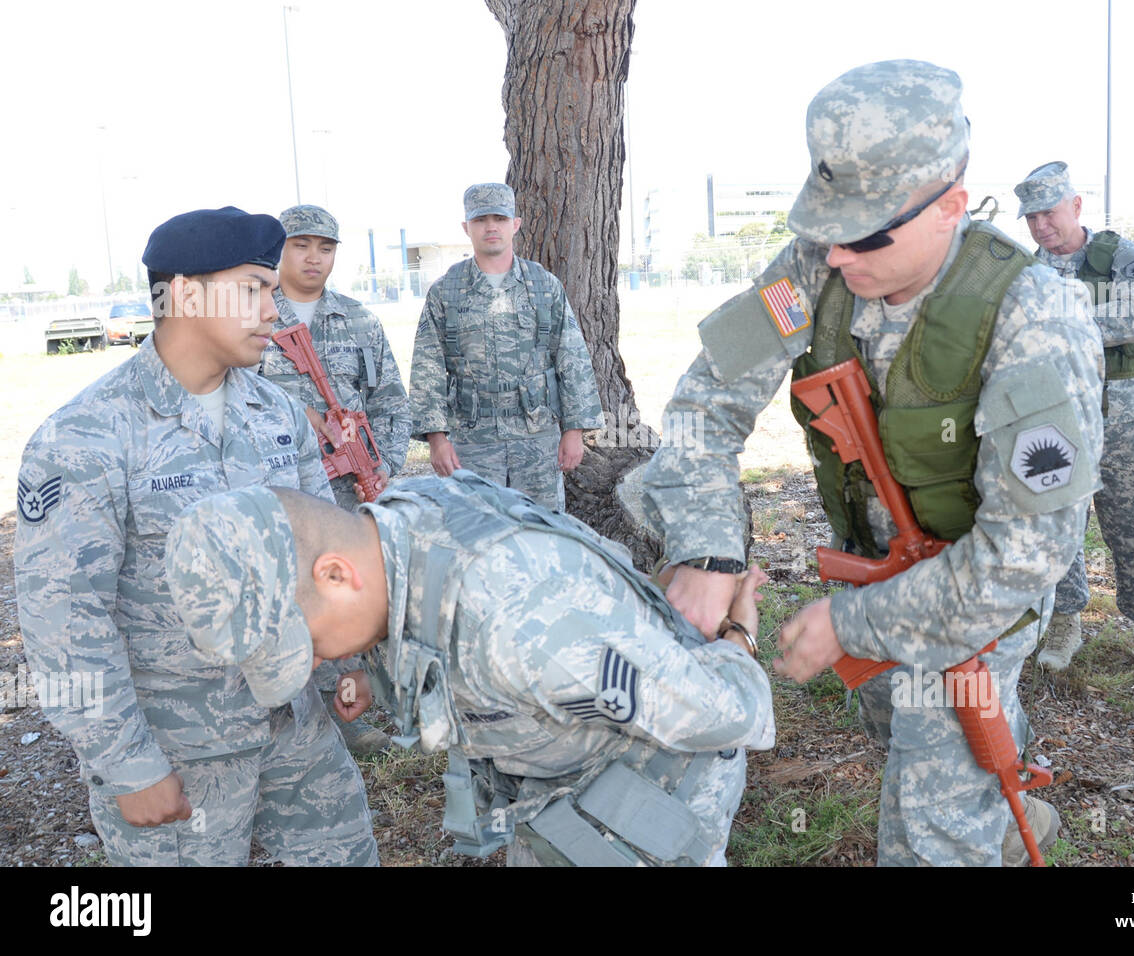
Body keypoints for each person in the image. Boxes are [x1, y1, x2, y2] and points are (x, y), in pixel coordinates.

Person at [640, 60, 1105, 866]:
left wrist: (849, 625)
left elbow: (1023, 558)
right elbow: (700, 407)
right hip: (871, 566)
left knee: (927, 824)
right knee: (896, 721)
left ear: (949, 208)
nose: (836, 253)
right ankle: (997, 798)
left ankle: (973, 803)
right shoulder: (813, 268)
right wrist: (710, 549)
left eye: (863, 234)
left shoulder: (1036, 318)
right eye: (826, 225)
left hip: (973, 598)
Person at [163, 472, 775, 866]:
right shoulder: (395, 530)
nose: (317, 659)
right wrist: (381, 681)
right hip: (554, 790)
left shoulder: (521, 622)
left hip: (643, 806)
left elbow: (729, 715)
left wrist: (737, 638)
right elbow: (432, 632)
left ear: (334, 574)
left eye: (306, 640)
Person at [14, 207, 377, 866]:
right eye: (253, 289)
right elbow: (63, 622)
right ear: (183, 294)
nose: (276, 309)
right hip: (181, 753)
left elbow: (325, 556)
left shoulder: (276, 414)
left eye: (273, 289)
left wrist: (346, 670)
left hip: (296, 734)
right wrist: (127, 766)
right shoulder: (87, 437)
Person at [1013, 162, 1134, 688]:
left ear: (1076, 205)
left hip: (1123, 413)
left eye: (1050, 213)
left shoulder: (1120, 257)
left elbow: (1129, 322)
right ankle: (1065, 624)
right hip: (1049, 411)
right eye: (1032, 217)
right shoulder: (1020, 269)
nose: (1042, 226)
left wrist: (1048, 325)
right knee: (1057, 521)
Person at [261, 202, 413, 754]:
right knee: (287, 600)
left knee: (350, 596)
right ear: (278, 250)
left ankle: (353, 706)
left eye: (325, 249)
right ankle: (299, 716)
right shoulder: (254, 317)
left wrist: (382, 466)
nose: (313, 258)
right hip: (281, 494)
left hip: (349, 493)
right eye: (301, 246)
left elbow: (394, 402)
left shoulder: (358, 320)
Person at [408, 182, 604, 511]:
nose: (490, 227)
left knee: (543, 533)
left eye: (499, 218)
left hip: (537, 439)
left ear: (515, 224)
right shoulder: (446, 292)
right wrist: (436, 439)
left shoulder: (543, 286)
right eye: (481, 219)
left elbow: (572, 357)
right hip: (472, 443)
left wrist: (574, 430)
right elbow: (427, 366)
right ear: (466, 227)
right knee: (475, 535)